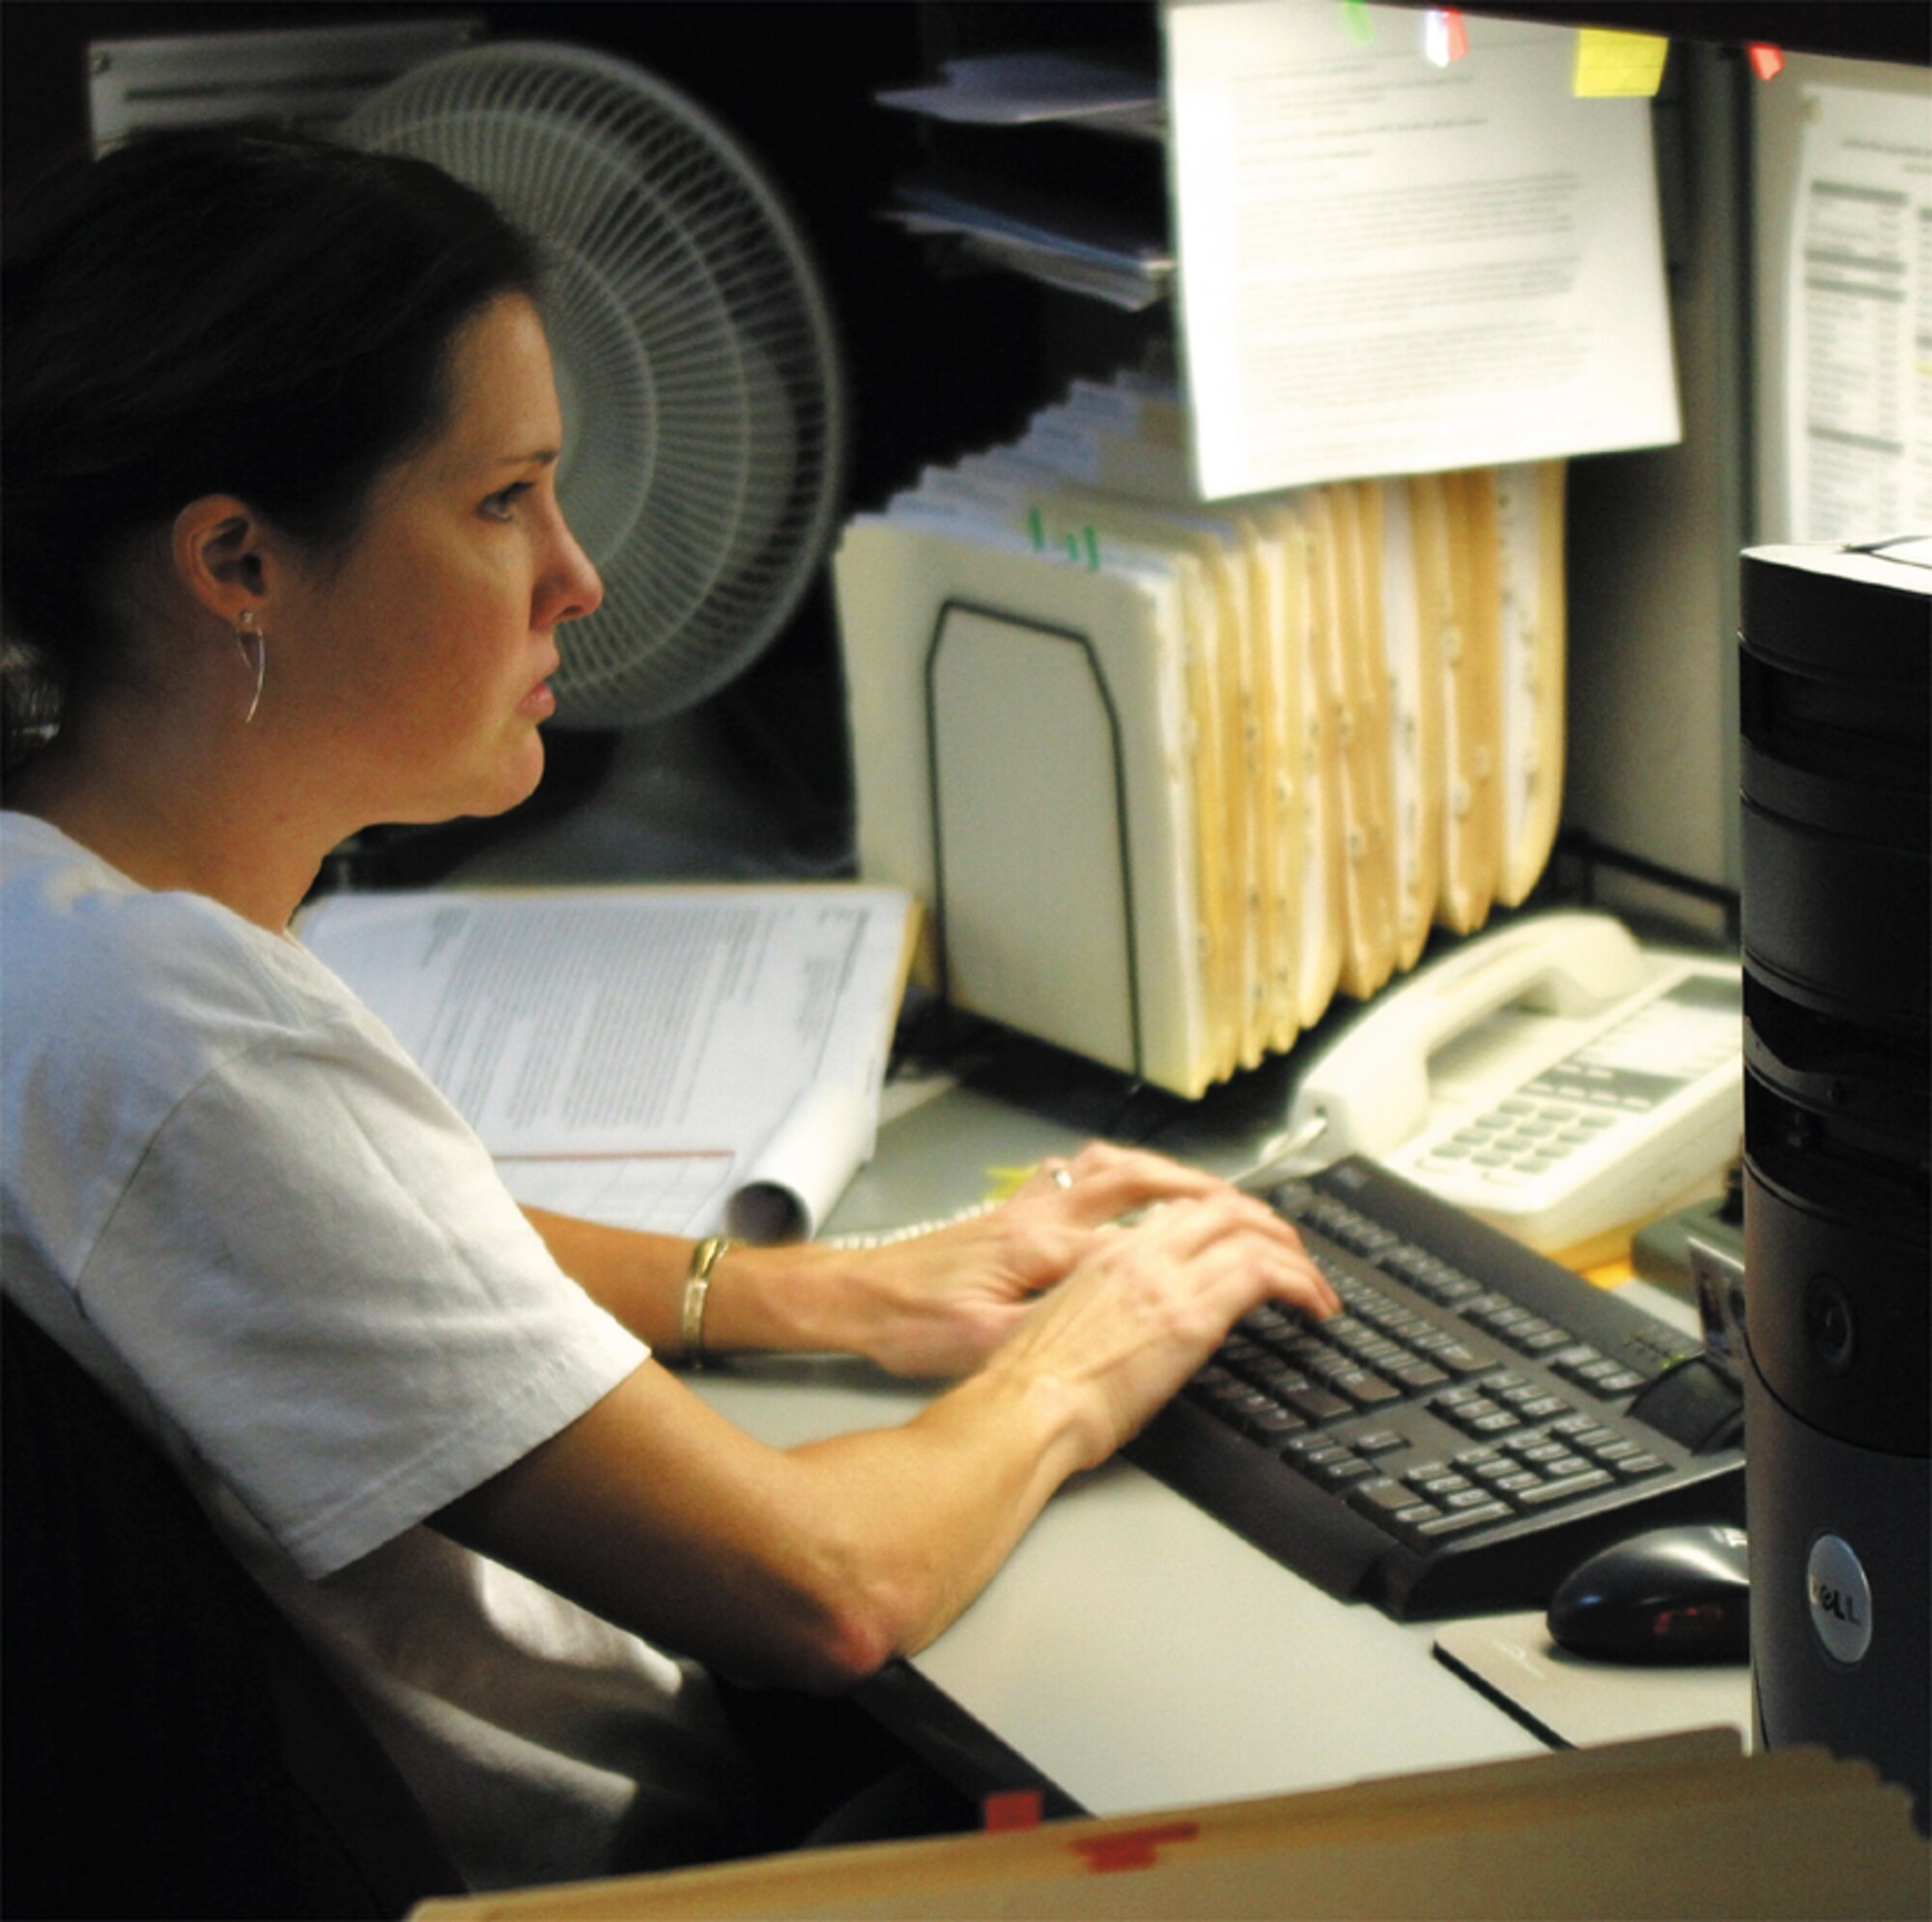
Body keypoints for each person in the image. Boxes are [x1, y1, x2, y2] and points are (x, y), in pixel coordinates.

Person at [0, 126, 1338, 1895]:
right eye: (502, 502)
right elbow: (828, 1593)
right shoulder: (184, 1048)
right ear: (238, 563)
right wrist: (1096, 1353)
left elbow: (356, 1240)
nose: (579, 575)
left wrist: (807, 1291)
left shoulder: (57, 921)